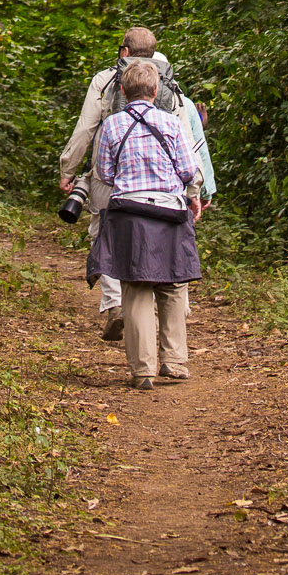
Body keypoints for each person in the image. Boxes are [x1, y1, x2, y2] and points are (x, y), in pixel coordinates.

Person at [59, 27, 214, 342]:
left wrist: (68, 168)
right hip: (163, 181)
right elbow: (188, 138)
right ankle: (169, 311)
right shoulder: (167, 83)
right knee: (163, 237)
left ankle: (116, 304)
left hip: (111, 173)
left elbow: (86, 126)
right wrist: (196, 188)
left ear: (124, 52)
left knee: (104, 233)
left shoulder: (105, 80)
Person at [87, 58, 202, 390]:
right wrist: (191, 194)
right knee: (174, 284)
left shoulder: (111, 126)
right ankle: (175, 361)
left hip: (130, 214)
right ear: (156, 91)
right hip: (169, 212)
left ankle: (142, 371)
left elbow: (105, 174)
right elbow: (187, 169)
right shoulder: (171, 123)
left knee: (136, 288)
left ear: (123, 91)